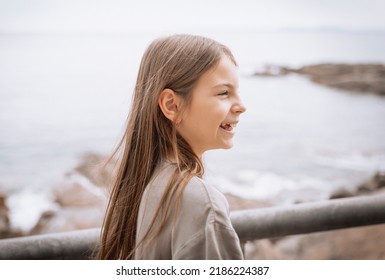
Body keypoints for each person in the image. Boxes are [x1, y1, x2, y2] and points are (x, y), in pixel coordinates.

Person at [96, 34, 246, 260]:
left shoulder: (145, 180)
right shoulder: (203, 204)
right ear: (171, 105)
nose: (241, 106)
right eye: (224, 93)